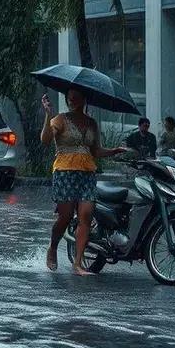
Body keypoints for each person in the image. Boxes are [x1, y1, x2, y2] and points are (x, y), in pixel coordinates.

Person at [41, 89, 129, 275]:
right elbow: (46, 140)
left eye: (76, 97)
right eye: (69, 97)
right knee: (65, 217)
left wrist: (114, 151)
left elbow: (96, 151)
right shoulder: (60, 119)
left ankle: (78, 264)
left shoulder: (91, 123)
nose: (71, 100)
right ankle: (53, 247)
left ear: (84, 99)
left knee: (86, 215)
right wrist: (49, 114)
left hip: (87, 174)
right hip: (65, 172)